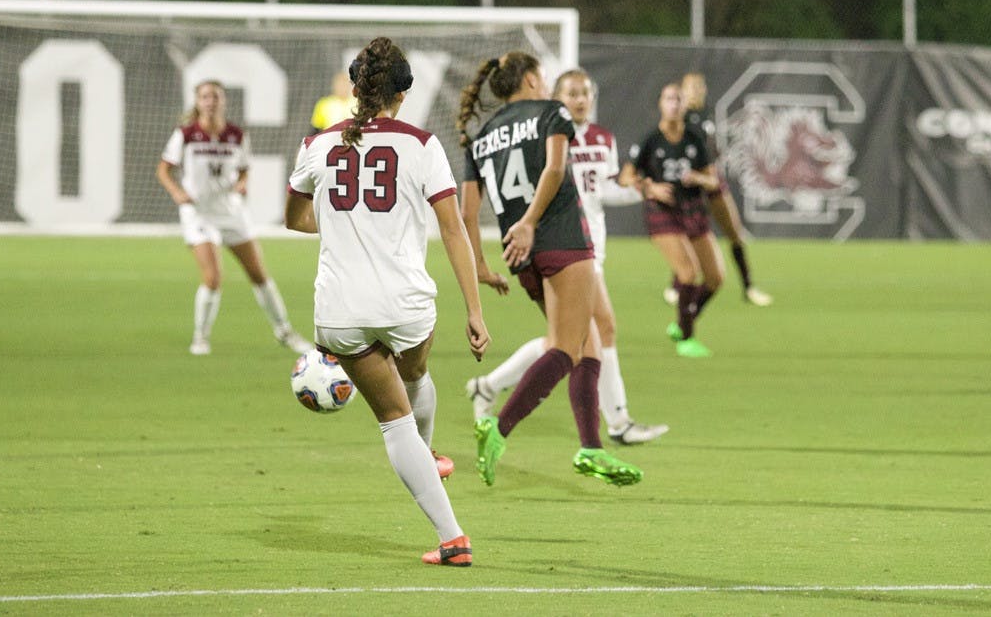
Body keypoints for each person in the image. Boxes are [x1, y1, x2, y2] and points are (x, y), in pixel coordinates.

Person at [285, 37, 490, 567]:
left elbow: (293, 218)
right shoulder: (421, 144)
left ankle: (450, 530)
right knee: (416, 377)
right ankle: (437, 476)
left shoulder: (319, 144)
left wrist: (334, 222)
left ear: (355, 90)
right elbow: (453, 232)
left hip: (341, 312)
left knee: (392, 420)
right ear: (402, 94)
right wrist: (474, 310)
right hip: (407, 306)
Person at [457, 52, 643, 487]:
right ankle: (497, 428)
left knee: (588, 344)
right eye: (541, 74)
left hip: (522, 255)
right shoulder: (550, 112)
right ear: (531, 79)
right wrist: (531, 222)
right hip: (561, 238)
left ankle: (591, 449)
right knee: (564, 349)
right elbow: (556, 169)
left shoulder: (480, 136)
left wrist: (481, 265)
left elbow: (468, 214)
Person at [156, 80, 312, 356]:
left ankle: (284, 331)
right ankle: (200, 337)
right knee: (213, 277)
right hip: (199, 213)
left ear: (223, 101)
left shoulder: (236, 136)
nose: (210, 101)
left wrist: (242, 182)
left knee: (259, 274)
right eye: (205, 96)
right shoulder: (187, 134)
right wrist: (177, 192)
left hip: (231, 212)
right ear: (197, 101)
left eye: (215, 96)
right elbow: (164, 169)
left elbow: (243, 170)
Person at [619, 82, 724, 358]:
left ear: (684, 105)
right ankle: (686, 338)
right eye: (669, 98)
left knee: (715, 278)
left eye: (678, 99)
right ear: (660, 104)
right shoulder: (651, 140)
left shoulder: (694, 139)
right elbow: (625, 177)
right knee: (688, 273)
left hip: (693, 210)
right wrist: (649, 188)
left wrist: (698, 178)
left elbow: (713, 179)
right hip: (663, 213)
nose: (674, 104)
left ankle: (681, 322)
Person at [678, 71, 772, 307]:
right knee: (692, 235)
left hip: (712, 181)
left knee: (735, 233)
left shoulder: (704, 116)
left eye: (699, 86)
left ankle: (748, 287)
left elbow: (710, 150)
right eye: (691, 87)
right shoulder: (681, 119)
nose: (696, 91)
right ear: (682, 90)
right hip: (694, 184)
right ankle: (677, 286)